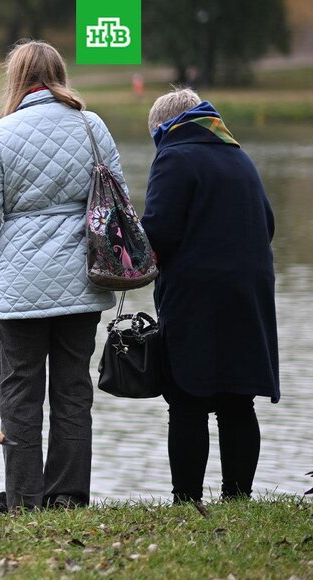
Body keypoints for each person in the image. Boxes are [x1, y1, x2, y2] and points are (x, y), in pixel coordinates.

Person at [0, 40, 125, 512]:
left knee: (20, 391)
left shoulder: (2, 133)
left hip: (19, 286)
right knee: (73, 389)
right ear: (59, 74)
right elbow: (118, 199)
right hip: (83, 279)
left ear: (16, 78)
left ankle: (23, 498)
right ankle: (69, 495)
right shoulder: (92, 125)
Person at [140, 88, 280, 505]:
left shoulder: (174, 155)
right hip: (248, 292)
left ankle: (187, 498)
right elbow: (268, 223)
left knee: (188, 399)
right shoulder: (238, 155)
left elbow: (159, 233)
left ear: (165, 128)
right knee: (238, 398)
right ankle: (238, 498)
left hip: (197, 295)